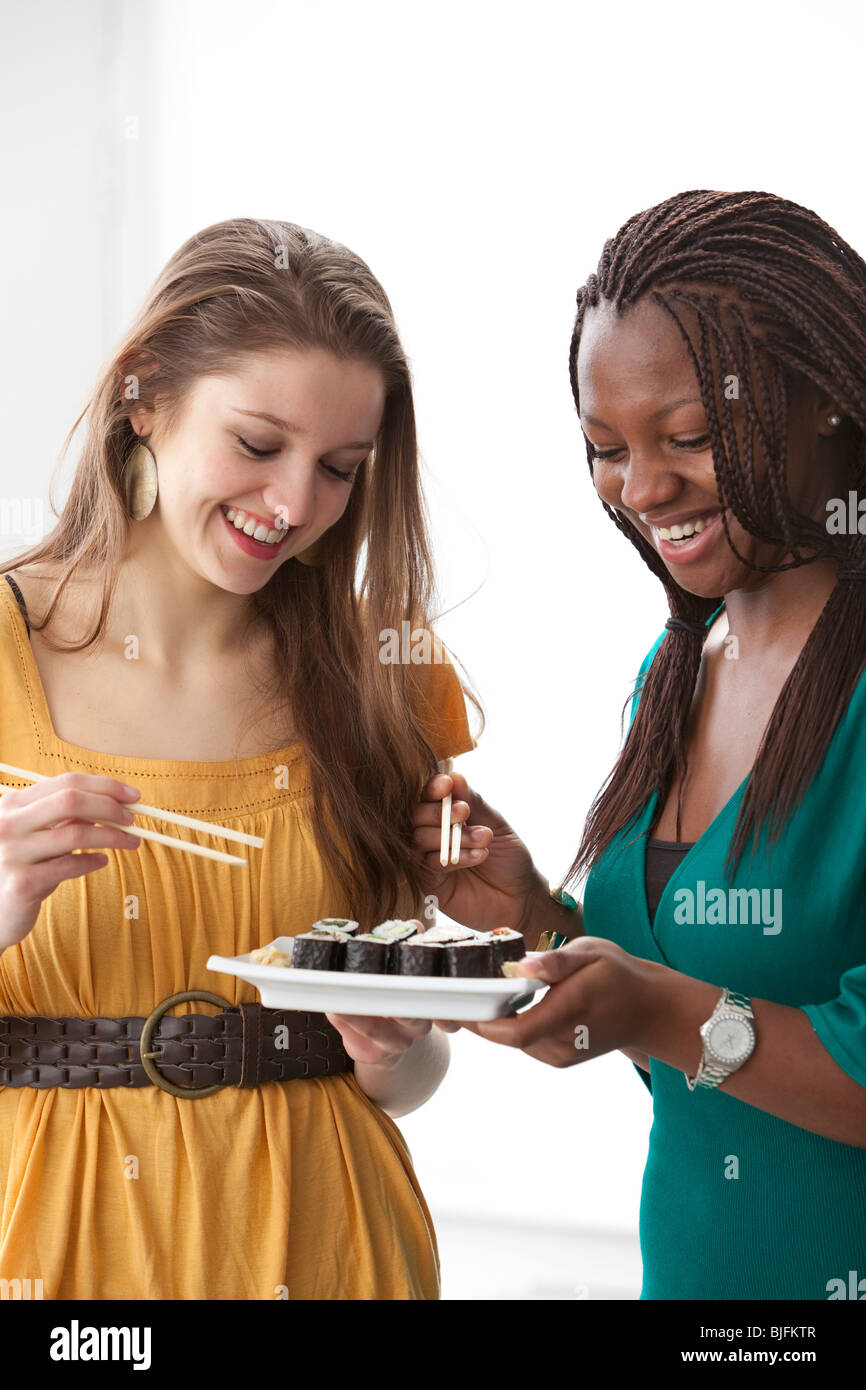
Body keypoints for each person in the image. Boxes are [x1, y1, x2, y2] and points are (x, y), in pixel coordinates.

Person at [0, 217, 481, 1300]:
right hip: (50, 1253)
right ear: (145, 394)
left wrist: (394, 1044)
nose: (294, 505)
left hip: (326, 1245)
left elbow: (403, 1077)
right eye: (258, 445)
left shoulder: (383, 677)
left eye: (339, 469)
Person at [413, 190, 866, 1300]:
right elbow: (702, 1034)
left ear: (821, 399)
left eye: (690, 437)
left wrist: (655, 1006)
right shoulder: (673, 676)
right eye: (605, 447)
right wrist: (533, 916)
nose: (643, 487)